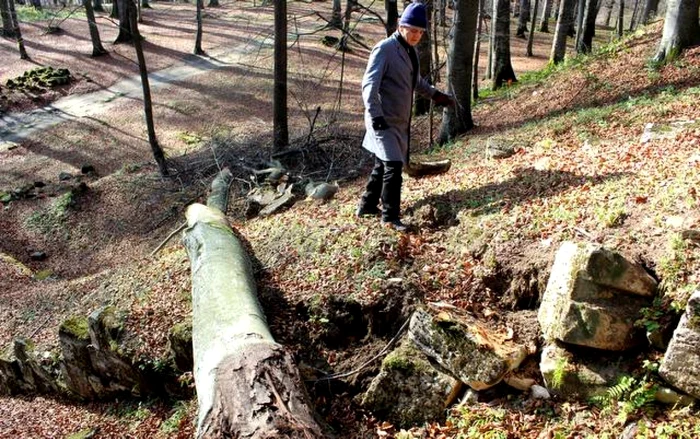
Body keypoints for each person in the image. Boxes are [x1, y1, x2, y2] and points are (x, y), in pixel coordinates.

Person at [356, 2, 454, 232]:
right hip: (382, 121)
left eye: (420, 32)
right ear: (401, 26)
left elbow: (415, 82)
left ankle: (367, 205)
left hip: (399, 122)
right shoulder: (384, 49)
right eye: (412, 30)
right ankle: (390, 218)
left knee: (382, 164)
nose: (416, 35)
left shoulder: (410, 51)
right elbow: (368, 86)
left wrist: (436, 95)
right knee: (393, 166)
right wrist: (376, 116)